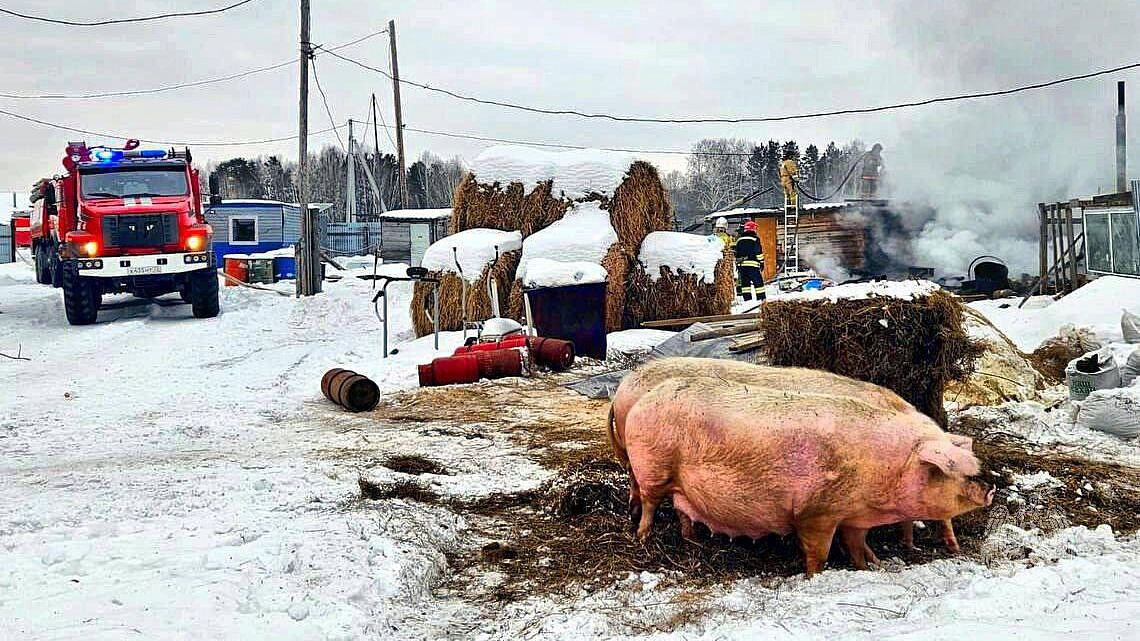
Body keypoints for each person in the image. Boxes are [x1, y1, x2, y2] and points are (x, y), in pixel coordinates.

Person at [734, 219, 765, 301]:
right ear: (753, 229)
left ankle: (747, 300)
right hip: (753, 265)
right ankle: (761, 299)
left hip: (742, 266)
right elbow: (758, 253)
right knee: (758, 283)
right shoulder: (755, 239)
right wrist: (761, 262)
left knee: (745, 284)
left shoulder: (739, 240)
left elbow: (736, 253)